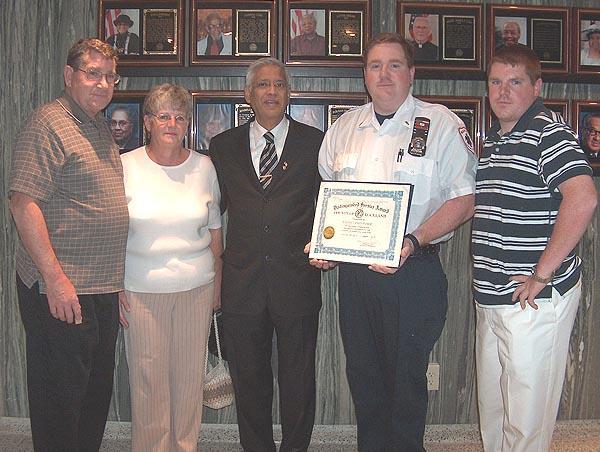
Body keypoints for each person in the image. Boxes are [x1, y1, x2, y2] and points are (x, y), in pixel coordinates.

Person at [311, 33, 477, 451]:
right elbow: (331, 199)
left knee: (406, 377)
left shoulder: (440, 124)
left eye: (394, 65)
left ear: (411, 72)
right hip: (356, 277)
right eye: (375, 65)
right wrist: (327, 246)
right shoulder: (344, 129)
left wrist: (413, 240)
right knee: (363, 374)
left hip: (414, 272)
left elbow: (465, 200)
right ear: (364, 74)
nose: (384, 74)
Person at [472, 44, 597, 452]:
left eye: (515, 82)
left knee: (526, 418)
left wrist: (542, 273)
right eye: (495, 82)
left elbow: (583, 198)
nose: (503, 92)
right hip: (492, 295)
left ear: (536, 85)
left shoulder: (549, 132)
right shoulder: (493, 138)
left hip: (534, 299)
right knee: (494, 408)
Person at [9, 38, 127, 451]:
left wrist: (117, 282)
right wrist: (55, 279)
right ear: (68, 75)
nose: (102, 84)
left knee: (93, 396)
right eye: (92, 73)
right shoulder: (49, 123)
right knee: (60, 402)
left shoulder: (96, 125)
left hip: (100, 288)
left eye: (110, 76)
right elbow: (23, 203)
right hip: (62, 289)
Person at [209, 57, 323, 452]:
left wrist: (331, 244)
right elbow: (210, 211)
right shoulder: (222, 147)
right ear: (248, 95)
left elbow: (331, 204)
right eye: (262, 85)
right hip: (243, 284)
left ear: (289, 94)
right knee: (249, 381)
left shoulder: (315, 142)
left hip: (298, 280)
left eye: (279, 85)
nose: (271, 91)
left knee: (298, 380)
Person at [118, 84, 222, 452]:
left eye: (179, 117)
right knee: (149, 382)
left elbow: (215, 233)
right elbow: (113, 232)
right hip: (141, 291)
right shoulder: (125, 166)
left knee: (187, 380)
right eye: (163, 116)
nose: (172, 123)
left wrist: (217, 288)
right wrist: (116, 285)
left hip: (196, 288)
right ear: (147, 122)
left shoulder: (204, 166)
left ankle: (185, 446)